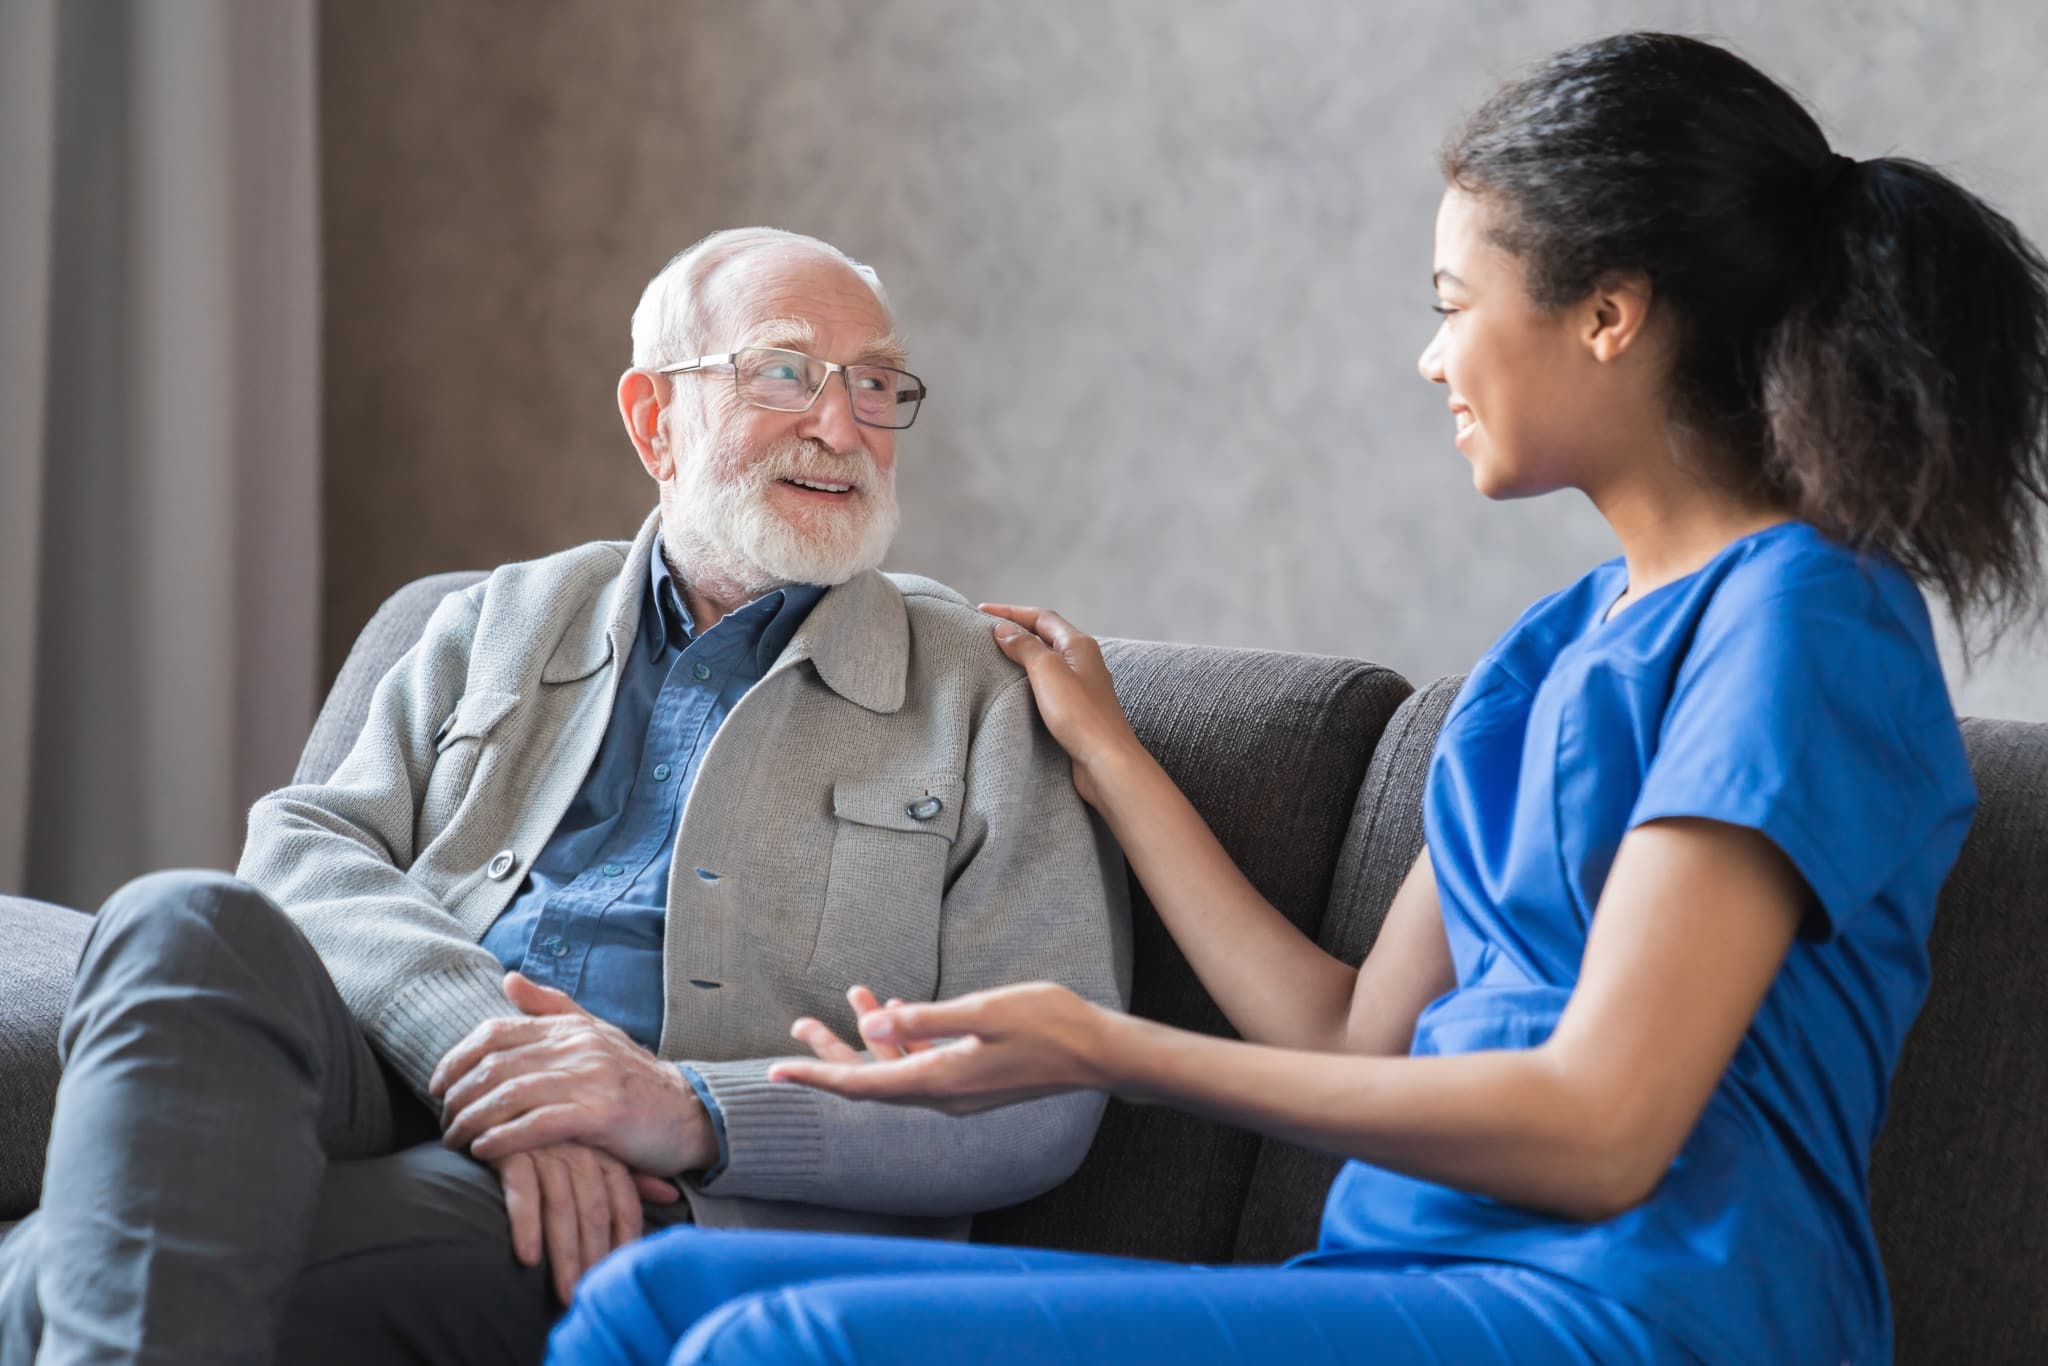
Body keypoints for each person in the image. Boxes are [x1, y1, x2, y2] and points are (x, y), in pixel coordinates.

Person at [546, 33, 2048, 1366]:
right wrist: (1112, 752)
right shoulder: (1553, 648)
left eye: (1456, 300)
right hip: (1410, 1271)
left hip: (1632, 1310)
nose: (1431, 353)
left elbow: (1603, 1128)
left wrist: (1103, 1042)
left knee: (788, 1344)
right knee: (651, 1300)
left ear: (1608, 313)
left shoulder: (1805, 622)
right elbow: (1343, 1038)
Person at [0, 228, 1129, 1365]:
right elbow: (302, 845)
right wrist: (482, 1040)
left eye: (875, 385)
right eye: (783, 373)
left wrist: (680, 1105)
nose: (841, 426)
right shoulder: (498, 613)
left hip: (670, 1197)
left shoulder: (980, 688)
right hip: (399, 1075)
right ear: (653, 420)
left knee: (62, 1271)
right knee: (182, 919)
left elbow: (1042, 1092)